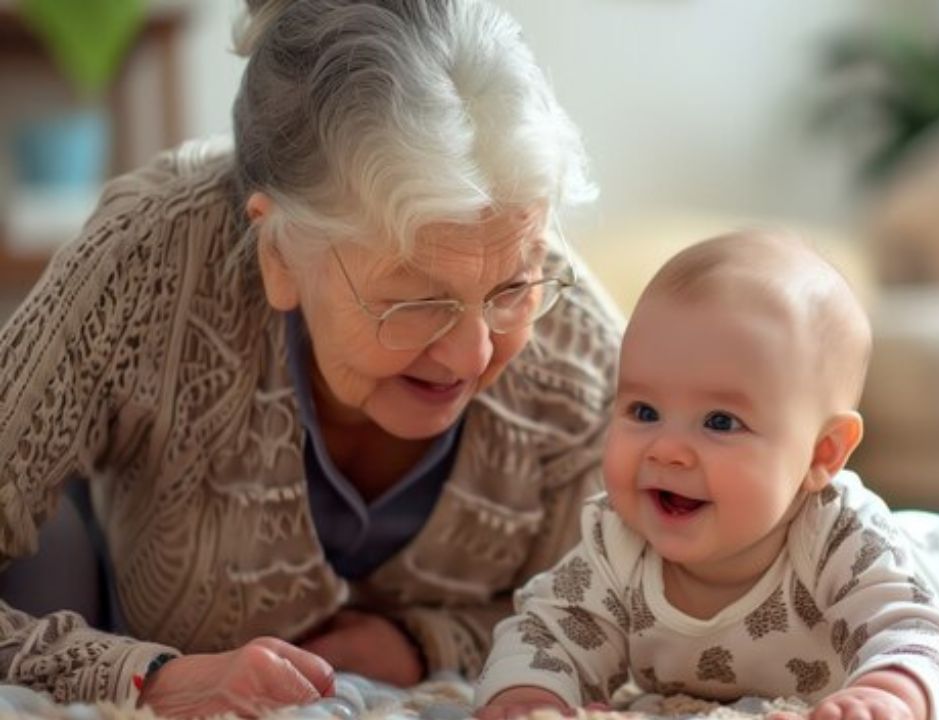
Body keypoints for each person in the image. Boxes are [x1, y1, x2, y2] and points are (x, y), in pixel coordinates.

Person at [0, 1, 621, 717]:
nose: (474, 353)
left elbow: (639, 617)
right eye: (416, 299)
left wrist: (430, 643)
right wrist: (145, 677)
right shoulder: (146, 258)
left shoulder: (575, 348)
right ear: (279, 252)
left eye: (511, 287)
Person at [473, 231, 939, 720]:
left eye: (719, 423)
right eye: (641, 410)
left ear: (823, 457)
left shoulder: (837, 535)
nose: (667, 451)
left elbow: (920, 631)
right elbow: (548, 630)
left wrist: (891, 693)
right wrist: (530, 696)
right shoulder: (617, 542)